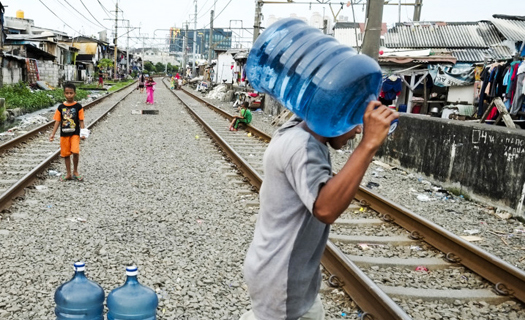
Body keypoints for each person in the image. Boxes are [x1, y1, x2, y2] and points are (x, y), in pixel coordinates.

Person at [241, 101, 398, 320]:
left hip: (285, 273)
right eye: (355, 121)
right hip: (281, 280)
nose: (359, 130)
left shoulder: (297, 130)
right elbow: (325, 209)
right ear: (335, 113)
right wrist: (368, 145)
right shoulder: (301, 146)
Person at [49, 82, 86, 182]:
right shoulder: (60, 107)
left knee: (75, 151)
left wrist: (83, 132)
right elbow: (57, 121)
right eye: (67, 93)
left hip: (75, 133)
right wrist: (52, 134)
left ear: (75, 93)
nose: (69, 95)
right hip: (64, 134)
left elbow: (81, 120)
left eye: (71, 93)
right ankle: (68, 173)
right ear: (64, 94)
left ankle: (75, 171)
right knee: (65, 154)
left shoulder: (78, 106)